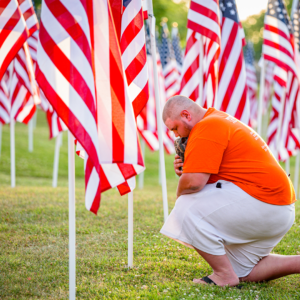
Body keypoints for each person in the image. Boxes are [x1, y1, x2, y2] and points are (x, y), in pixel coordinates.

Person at [160, 95, 299, 287]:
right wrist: (188, 170)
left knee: (184, 207)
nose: (176, 135)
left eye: (175, 128)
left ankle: (224, 275)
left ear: (186, 115)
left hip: (265, 202)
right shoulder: (217, 119)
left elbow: (194, 183)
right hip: (278, 207)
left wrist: (183, 188)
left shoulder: (207, 126)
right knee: (243, 272)